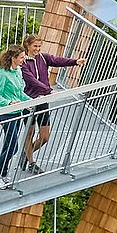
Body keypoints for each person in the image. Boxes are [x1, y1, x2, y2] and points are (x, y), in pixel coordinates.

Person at [17, 37, 82, 173]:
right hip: (29, 101)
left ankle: (26, 154)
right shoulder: (23, 63)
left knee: (45, 137)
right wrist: (49, 90)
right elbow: (31, 80)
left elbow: (57, 60)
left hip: (42, 101)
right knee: (30, 133)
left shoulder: (43, 58)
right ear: (27, 45)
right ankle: (31, 162)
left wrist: (75, 62)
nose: (37, 49)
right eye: (35, 46)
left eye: (39, 46)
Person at [0, 46, 30, 179]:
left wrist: (32, 101)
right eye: (21, 57)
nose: (23, 60)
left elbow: (19, 92)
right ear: (13, 58)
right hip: (7, 114)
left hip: (18, 113)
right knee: (13, 146)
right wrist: (9, 103)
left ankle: (0, 174)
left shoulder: (18, 71)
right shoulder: (2, 74)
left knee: (9, 145)